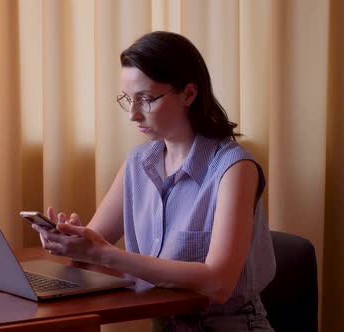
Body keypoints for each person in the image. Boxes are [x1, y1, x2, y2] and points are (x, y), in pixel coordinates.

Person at [31, 31, 276, 331]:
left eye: (145, 100)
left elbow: (218, 283)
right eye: (127, 100)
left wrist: (105, 253)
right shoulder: (139, 162)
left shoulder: (234, 168)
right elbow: (95, 249)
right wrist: (70, 242)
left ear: (188, 94)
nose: (133, 115)